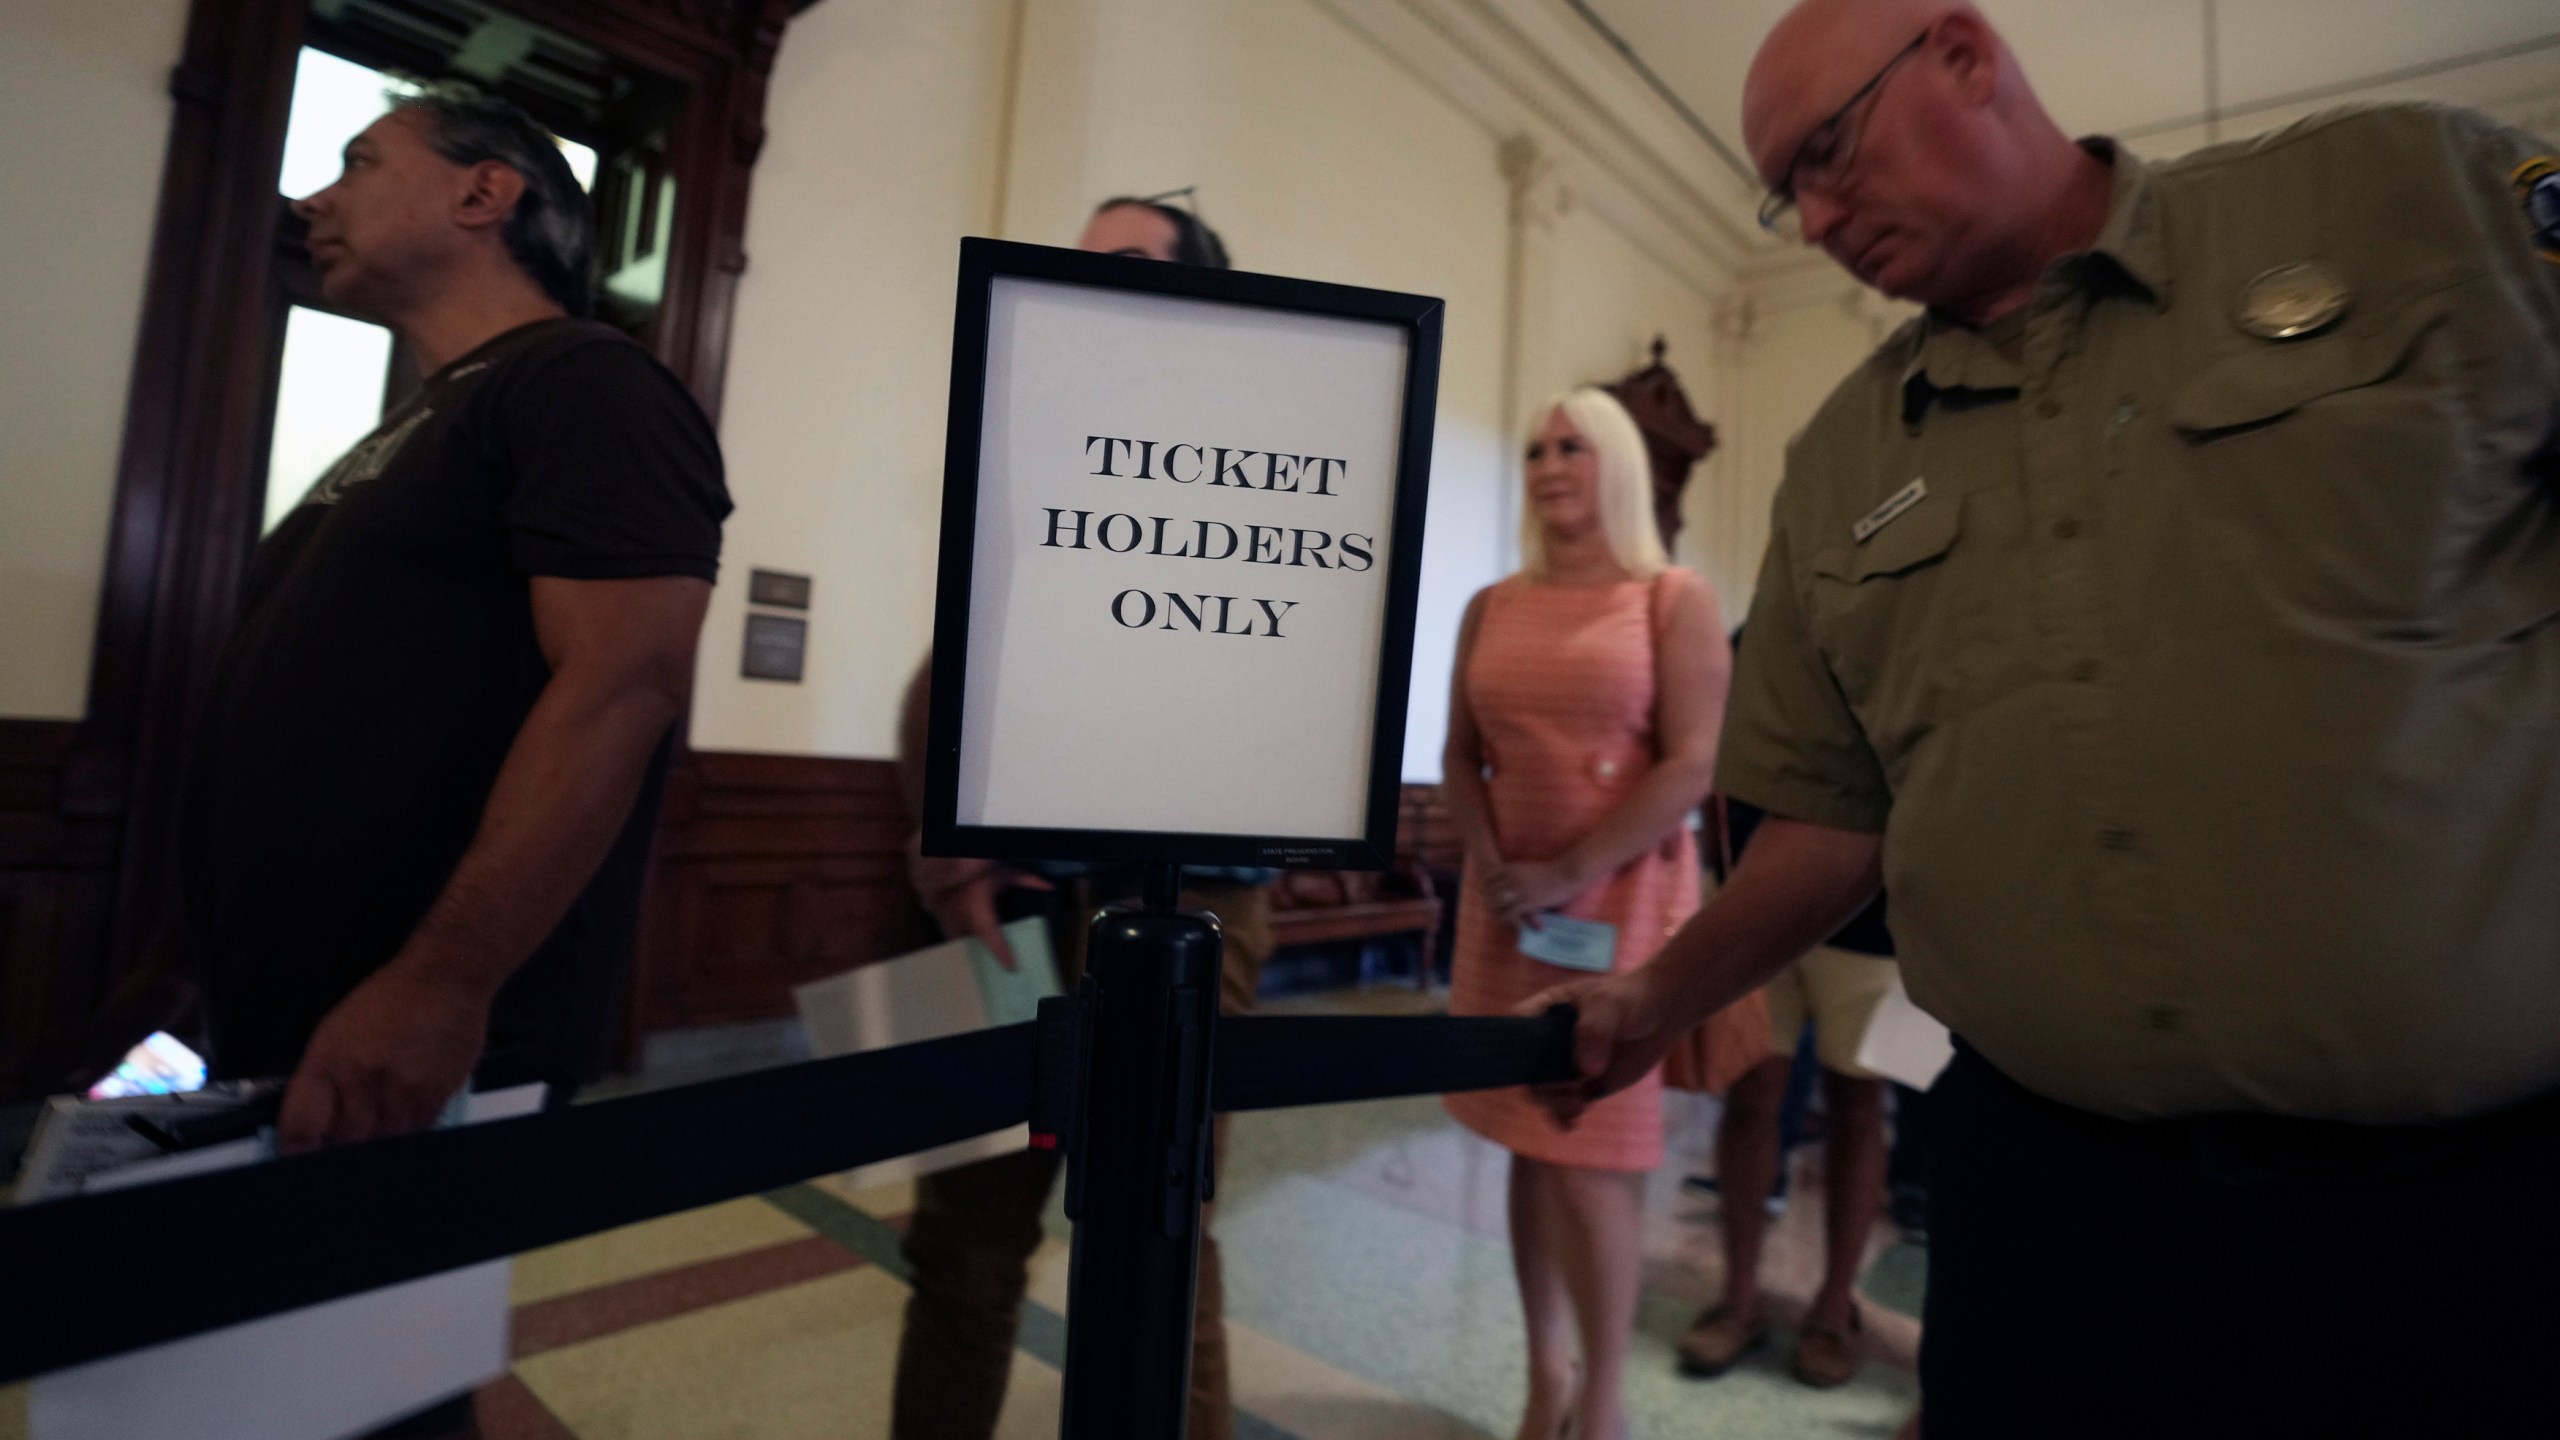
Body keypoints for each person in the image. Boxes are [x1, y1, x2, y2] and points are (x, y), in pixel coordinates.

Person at [1527, 1, 2560, 1435]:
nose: (1813, 218)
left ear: (1963, 53)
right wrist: (1653, 997)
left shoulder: (2410, 201)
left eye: (1828, 154)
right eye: (1787, 193)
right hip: (2053, 1215)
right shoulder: (1842, 463)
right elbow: (1829, 825)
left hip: (2468, 1206)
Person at [180, 83, 727, 1437]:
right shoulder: (418, 422)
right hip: (290, 1006)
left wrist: (441, 981)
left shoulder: (587, 384)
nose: (317, 200)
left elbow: (624, 681)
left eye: (361, 163)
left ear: (488, 196)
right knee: (341, 1378)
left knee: (380, 1397)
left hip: (418, 1020)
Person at [886, 195, 1273, 1440]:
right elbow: (942, 668)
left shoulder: (1276, 459)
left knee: (1166, 1229)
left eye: (1117, 266)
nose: (1079, 285)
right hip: (1008, 902)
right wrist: (938, 842)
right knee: (960, 1240)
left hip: (1195, 899)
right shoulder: (1028, 448)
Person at [1440, 387, 1732, 1440]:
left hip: (1617, 911)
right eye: (1533, 449)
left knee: (1592, 1155)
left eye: (1571, 445)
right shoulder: (1493, 602)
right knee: (1525, 1139)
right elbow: (1456, 757)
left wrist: (1569, 867)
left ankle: (1601, 1405)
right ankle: (1543, 1378)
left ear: (1615, 461)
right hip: (1508, 911)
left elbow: (1693, 762)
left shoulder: (1669, 596)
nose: (1550, 464)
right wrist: (1490, 861)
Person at [1678, 788, 1899, 1387]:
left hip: (1876, 912)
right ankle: (1739, 1296)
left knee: (1858, 1106)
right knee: (1750, 1096)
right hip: (1756, 892)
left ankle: (1834, 1307)